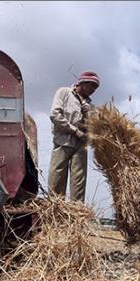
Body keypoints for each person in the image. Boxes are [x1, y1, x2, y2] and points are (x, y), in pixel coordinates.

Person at [48, 71, 100, 202]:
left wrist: (89, 115)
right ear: (81, 83)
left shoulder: (91, 106)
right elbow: (55, 115)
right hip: (63, 142)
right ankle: (55, 209)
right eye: (91, 85)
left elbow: (94, 128)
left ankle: (77, 213)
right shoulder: (64, 93)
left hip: (81, 145)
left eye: (95, 87)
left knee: (79, 182)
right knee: (57, 178)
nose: (93, 89)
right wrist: (75, 131)